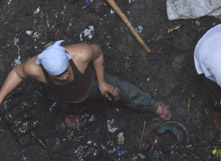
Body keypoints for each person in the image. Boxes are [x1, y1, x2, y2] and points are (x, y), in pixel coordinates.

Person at [0, 41, 171, 127]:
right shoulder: (34, 68)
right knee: (66, 104)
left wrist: (102, 82)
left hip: (92, 84)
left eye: (66, 71)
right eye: (58, 76)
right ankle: (71, 113)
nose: (65, 76)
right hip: (63, 96)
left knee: (123, 92)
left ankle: (151, 105)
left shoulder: (81, 54)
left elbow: (98, 53)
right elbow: (16, 72)